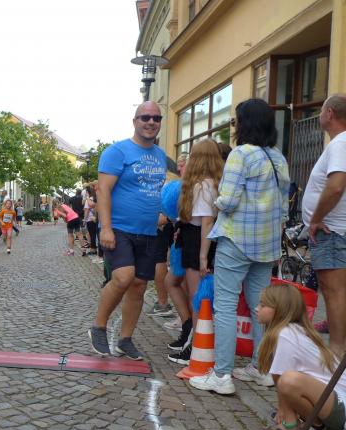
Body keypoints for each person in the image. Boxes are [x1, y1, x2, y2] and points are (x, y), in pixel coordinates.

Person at [190, 99, 290, 395]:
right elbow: (284, 207)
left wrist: (216, 200)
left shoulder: (241, 154)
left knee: (225, 306)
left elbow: (229, 201)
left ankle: (221, 375)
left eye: (235, 121)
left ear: (244, 123)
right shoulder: (278, 157)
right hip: (266, 243)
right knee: (262, 307)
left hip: (237, 239)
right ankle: (262, 368)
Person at [87, 101, 167, 361]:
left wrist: (160, 214)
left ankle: (125, 339)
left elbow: (154, 190)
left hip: (148, 231)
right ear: (135, 121)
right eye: (145, 117)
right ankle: (99, 327)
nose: (151, 122)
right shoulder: (117, 152)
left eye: (156, 118)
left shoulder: (160, 156)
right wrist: (106, 228)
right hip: (119, 228)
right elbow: (104, 190)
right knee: (123, 278)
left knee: (139, 285)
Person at [254, 283, 344, 430]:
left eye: (263, 305)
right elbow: (278, 374)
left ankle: (305, 425)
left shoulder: (286, 334)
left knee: (289, 380)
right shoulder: (290, 331)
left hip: (341, 407)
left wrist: (284, 411)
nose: (257, 308)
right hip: (330, 402)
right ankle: (308, 420)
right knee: (287, 379)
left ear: (279, 310)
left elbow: (280, 377)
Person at [167, 139, 222, 365]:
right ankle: (196, 343)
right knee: (200, 297)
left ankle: (196, 347)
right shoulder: (215, 183)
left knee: (197, 298)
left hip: (198, 242)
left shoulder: (202, 186)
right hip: (201, 240)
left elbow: (206, 222)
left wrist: (202, 257)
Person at [302, 93, 346, 356]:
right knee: (336, 291)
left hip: (332, 231)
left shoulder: (340, 143)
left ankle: (337, 353)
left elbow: (336, 186)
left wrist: (316, 218)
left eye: (320, 111)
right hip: (336, 230)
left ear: (330, 113)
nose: (319, 115)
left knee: (334, 291)